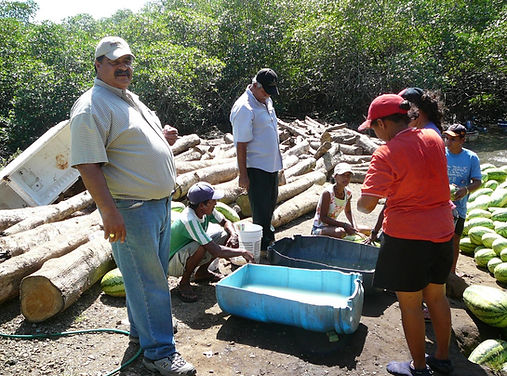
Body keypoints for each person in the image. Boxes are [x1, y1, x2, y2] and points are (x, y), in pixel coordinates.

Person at [69, 36, 195, 376]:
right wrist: (109, 212)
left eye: (127, 61)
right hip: (131, 208)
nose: (123, 67)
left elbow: (129, 143)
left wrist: (161, 138)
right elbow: (87, 165)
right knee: (149, 281)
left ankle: (145, 333)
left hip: (157, 204)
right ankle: (159, 353)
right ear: (98, 65)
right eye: (114, 62)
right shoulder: (92, 106)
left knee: (145, 278)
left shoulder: (127, 98)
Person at [357, 94, 455, 376]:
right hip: (442, 230)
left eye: (374, 127)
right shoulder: (434, 138)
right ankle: (442, 357)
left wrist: (370, 187)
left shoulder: (386, 153)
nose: (375, 133)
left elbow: (366, 205)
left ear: (384, 123)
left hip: (407, 237)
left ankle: (419, 367)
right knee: (437, 296)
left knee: (410, 303)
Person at [169, 182, 254, 302]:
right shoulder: (189, 220)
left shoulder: (206, 210)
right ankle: (184, 283)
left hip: (186, 251)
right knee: (203, 246)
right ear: (202, 205)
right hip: (172, 262)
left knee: (225, 234)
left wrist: (233, 235)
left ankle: (202, 273)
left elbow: (225, 222)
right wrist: (242, 252)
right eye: (212, 200)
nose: (215, 203)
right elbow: (215, 250)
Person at [230, 68, 283, 251]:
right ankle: (260, 248)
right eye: (265, 91)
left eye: (270, 92)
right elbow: (241, 144)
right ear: (255, 85)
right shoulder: (245, 107)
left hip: (271, 166)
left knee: (269, 207)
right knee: (260, 211)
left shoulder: (266, 100)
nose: (268, 95)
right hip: (256, 168)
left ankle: (268, 241)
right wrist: (243, 175)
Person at [443, 124, 482, 274]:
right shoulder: (440, 154)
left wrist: (465, 190)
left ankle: (451, 272)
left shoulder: (471, 158)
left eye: (453, 139)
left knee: (454, 240)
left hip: (459, 208)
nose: (448, 141)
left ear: (462, 140)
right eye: (447, 138)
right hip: (439, 205)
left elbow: (478, 182)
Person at [311, 162, 363, 238]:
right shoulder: (328, 193)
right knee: (340, 232)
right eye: (342, 175)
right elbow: (323, 218)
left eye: (348, 176)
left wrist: (354, 227)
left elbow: (348, 211)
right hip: (320, 228)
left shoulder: (348, 193)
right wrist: (344, 225)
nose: (346, 178)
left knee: (367, 230)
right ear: (335, 176)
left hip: (334, 226)